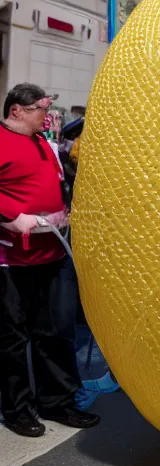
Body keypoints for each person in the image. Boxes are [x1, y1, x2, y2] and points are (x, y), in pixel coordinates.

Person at [0, 83, 100, 437]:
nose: (48, 115)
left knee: (56, 332)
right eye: (41, 109)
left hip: (52, 255)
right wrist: (13, 215)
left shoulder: (43, 143)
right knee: (12, 340)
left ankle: (58, 402)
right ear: (17, 111)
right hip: (12, 261)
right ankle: (17, 410)